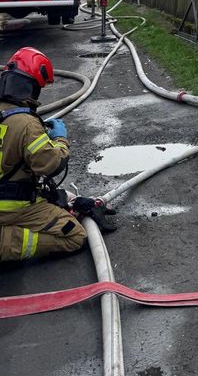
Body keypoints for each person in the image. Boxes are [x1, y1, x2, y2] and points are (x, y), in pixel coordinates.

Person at [0, 47, 116, 262]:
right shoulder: (26, 124)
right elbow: (51, 164)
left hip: (9, 197)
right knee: (74, 235)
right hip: (12, 207)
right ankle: (5, 242)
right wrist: (60, 139)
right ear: (32, 87)